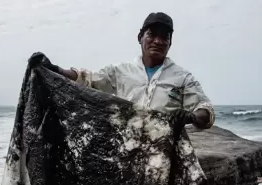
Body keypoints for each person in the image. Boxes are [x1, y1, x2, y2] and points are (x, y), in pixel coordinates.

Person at [29, 12, 215, 130]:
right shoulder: (120, 71)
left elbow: (205, 109)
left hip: (165, 151)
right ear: (140, 37)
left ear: (170, 43)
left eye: (164, 37)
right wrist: (54, 69)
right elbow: (87, 80)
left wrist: (191, 116)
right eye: (152, 34)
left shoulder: (182, 77)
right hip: (125, 147)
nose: (158, 41)